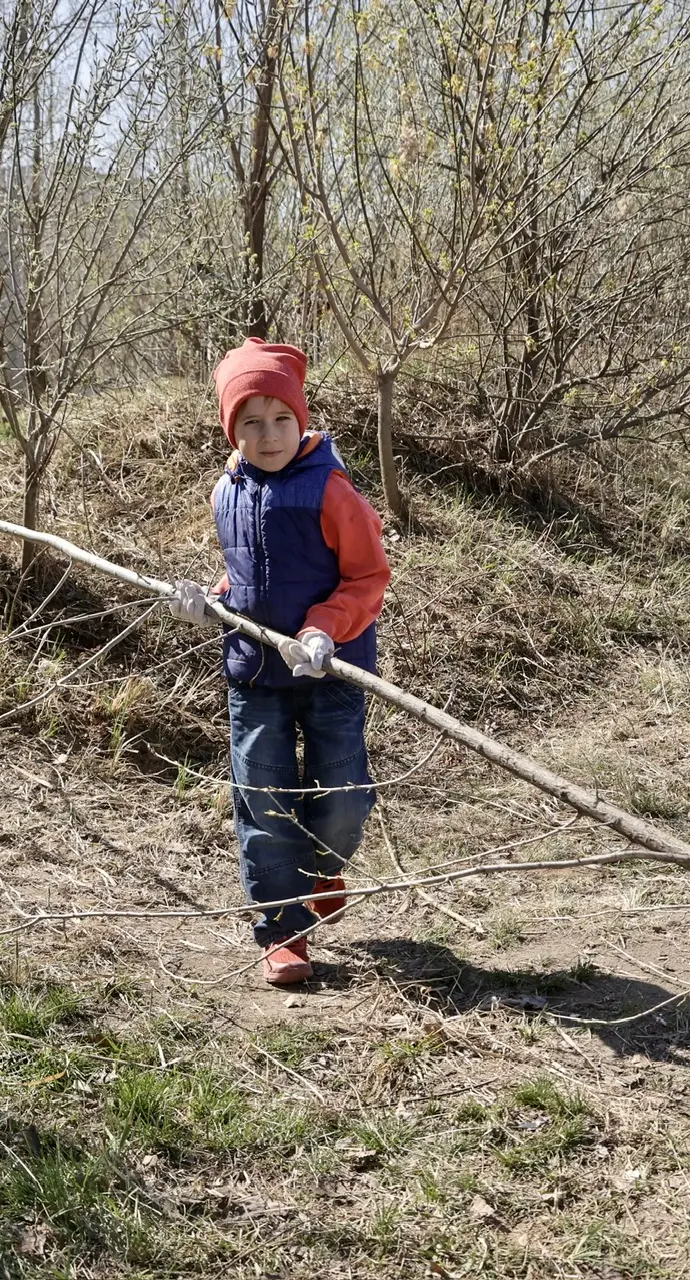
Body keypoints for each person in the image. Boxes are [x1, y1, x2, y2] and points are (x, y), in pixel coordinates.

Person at [168, 338, 390, 986]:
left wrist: (323, 631)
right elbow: (243, 579)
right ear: (231, 429)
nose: (269, 435)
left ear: (302, 419)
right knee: (260, 799)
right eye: (251, 422)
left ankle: (325, 863)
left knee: (342, 796)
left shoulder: (333, 493)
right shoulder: (225, 492)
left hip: (331, 670)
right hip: (255, 674)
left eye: (281, 419)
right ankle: (282, 930)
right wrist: (211, 604)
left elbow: (367, 578)